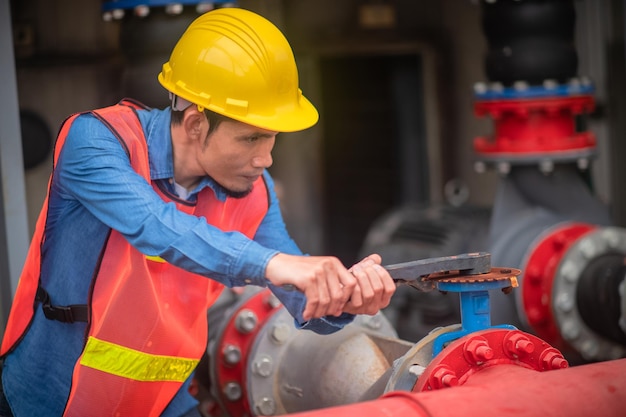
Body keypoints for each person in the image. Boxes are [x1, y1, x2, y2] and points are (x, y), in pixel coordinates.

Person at [0, 7, 396, 417]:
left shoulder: (253, 192)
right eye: (251, 139)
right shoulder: (95, 142)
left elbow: (300, 300)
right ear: (194, 124)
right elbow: (155, 224)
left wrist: (345, 300)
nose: (266, 159)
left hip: (165, 404)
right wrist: (275, 263)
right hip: (51, 401)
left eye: (272, 139)